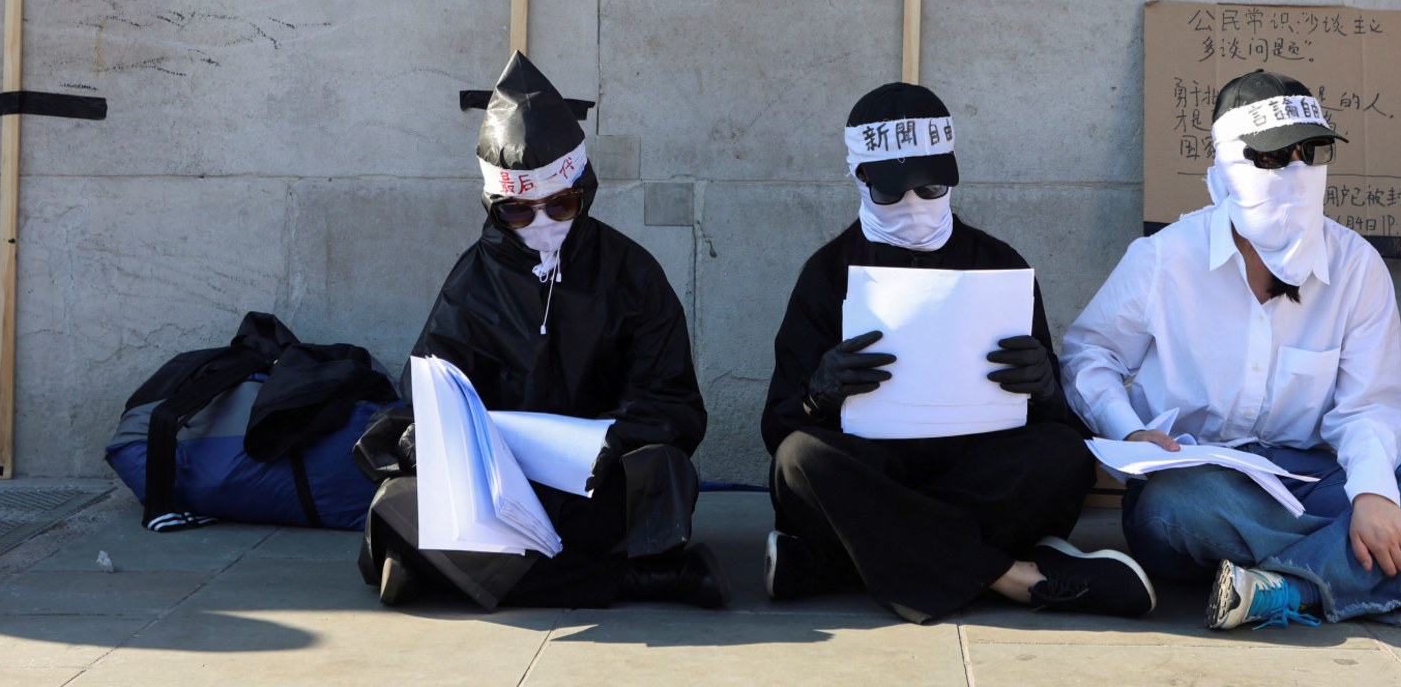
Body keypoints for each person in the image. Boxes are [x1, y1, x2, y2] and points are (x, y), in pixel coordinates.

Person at [1063, 69, 1401, 631]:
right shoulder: (1165, 258)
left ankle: (1291, 587)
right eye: (1272, 157)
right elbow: (1088, 356)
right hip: (1204, 478)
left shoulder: (1355, 264)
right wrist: (1129, 430)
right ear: (1228, 165)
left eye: (1310, 152)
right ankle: (1399, 566)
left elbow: (1371, 407)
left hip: (1318, 484)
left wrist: (1371, 495)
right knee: (1171, 508)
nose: (1295, 172)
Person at [761, 81, 1155, 624]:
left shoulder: (999, 262)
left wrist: (1044, 386)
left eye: (931, 189)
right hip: (876, 468)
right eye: (894, 191)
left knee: (1063, 455)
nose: (915, 206)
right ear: (861, 177)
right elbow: (780, 427)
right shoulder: (826, 274)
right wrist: (816, 398)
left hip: (974, 468)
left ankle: (841, 560)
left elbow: (1051, 417)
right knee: (801, 461)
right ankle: (1018, 577)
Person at [355, 51, 725, 610]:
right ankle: (637, 579)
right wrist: (420, 437)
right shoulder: (472, 282)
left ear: (586, 189)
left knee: (664, 476)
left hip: (599, 478)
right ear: (493, 207)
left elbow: (672, 402)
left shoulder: (632, 273)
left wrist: (613, 441)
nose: (544, 224)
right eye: (519, 213)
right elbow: (428, 398)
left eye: (561, 204)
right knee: (397, 501)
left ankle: (445, 574)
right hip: (499, 483)